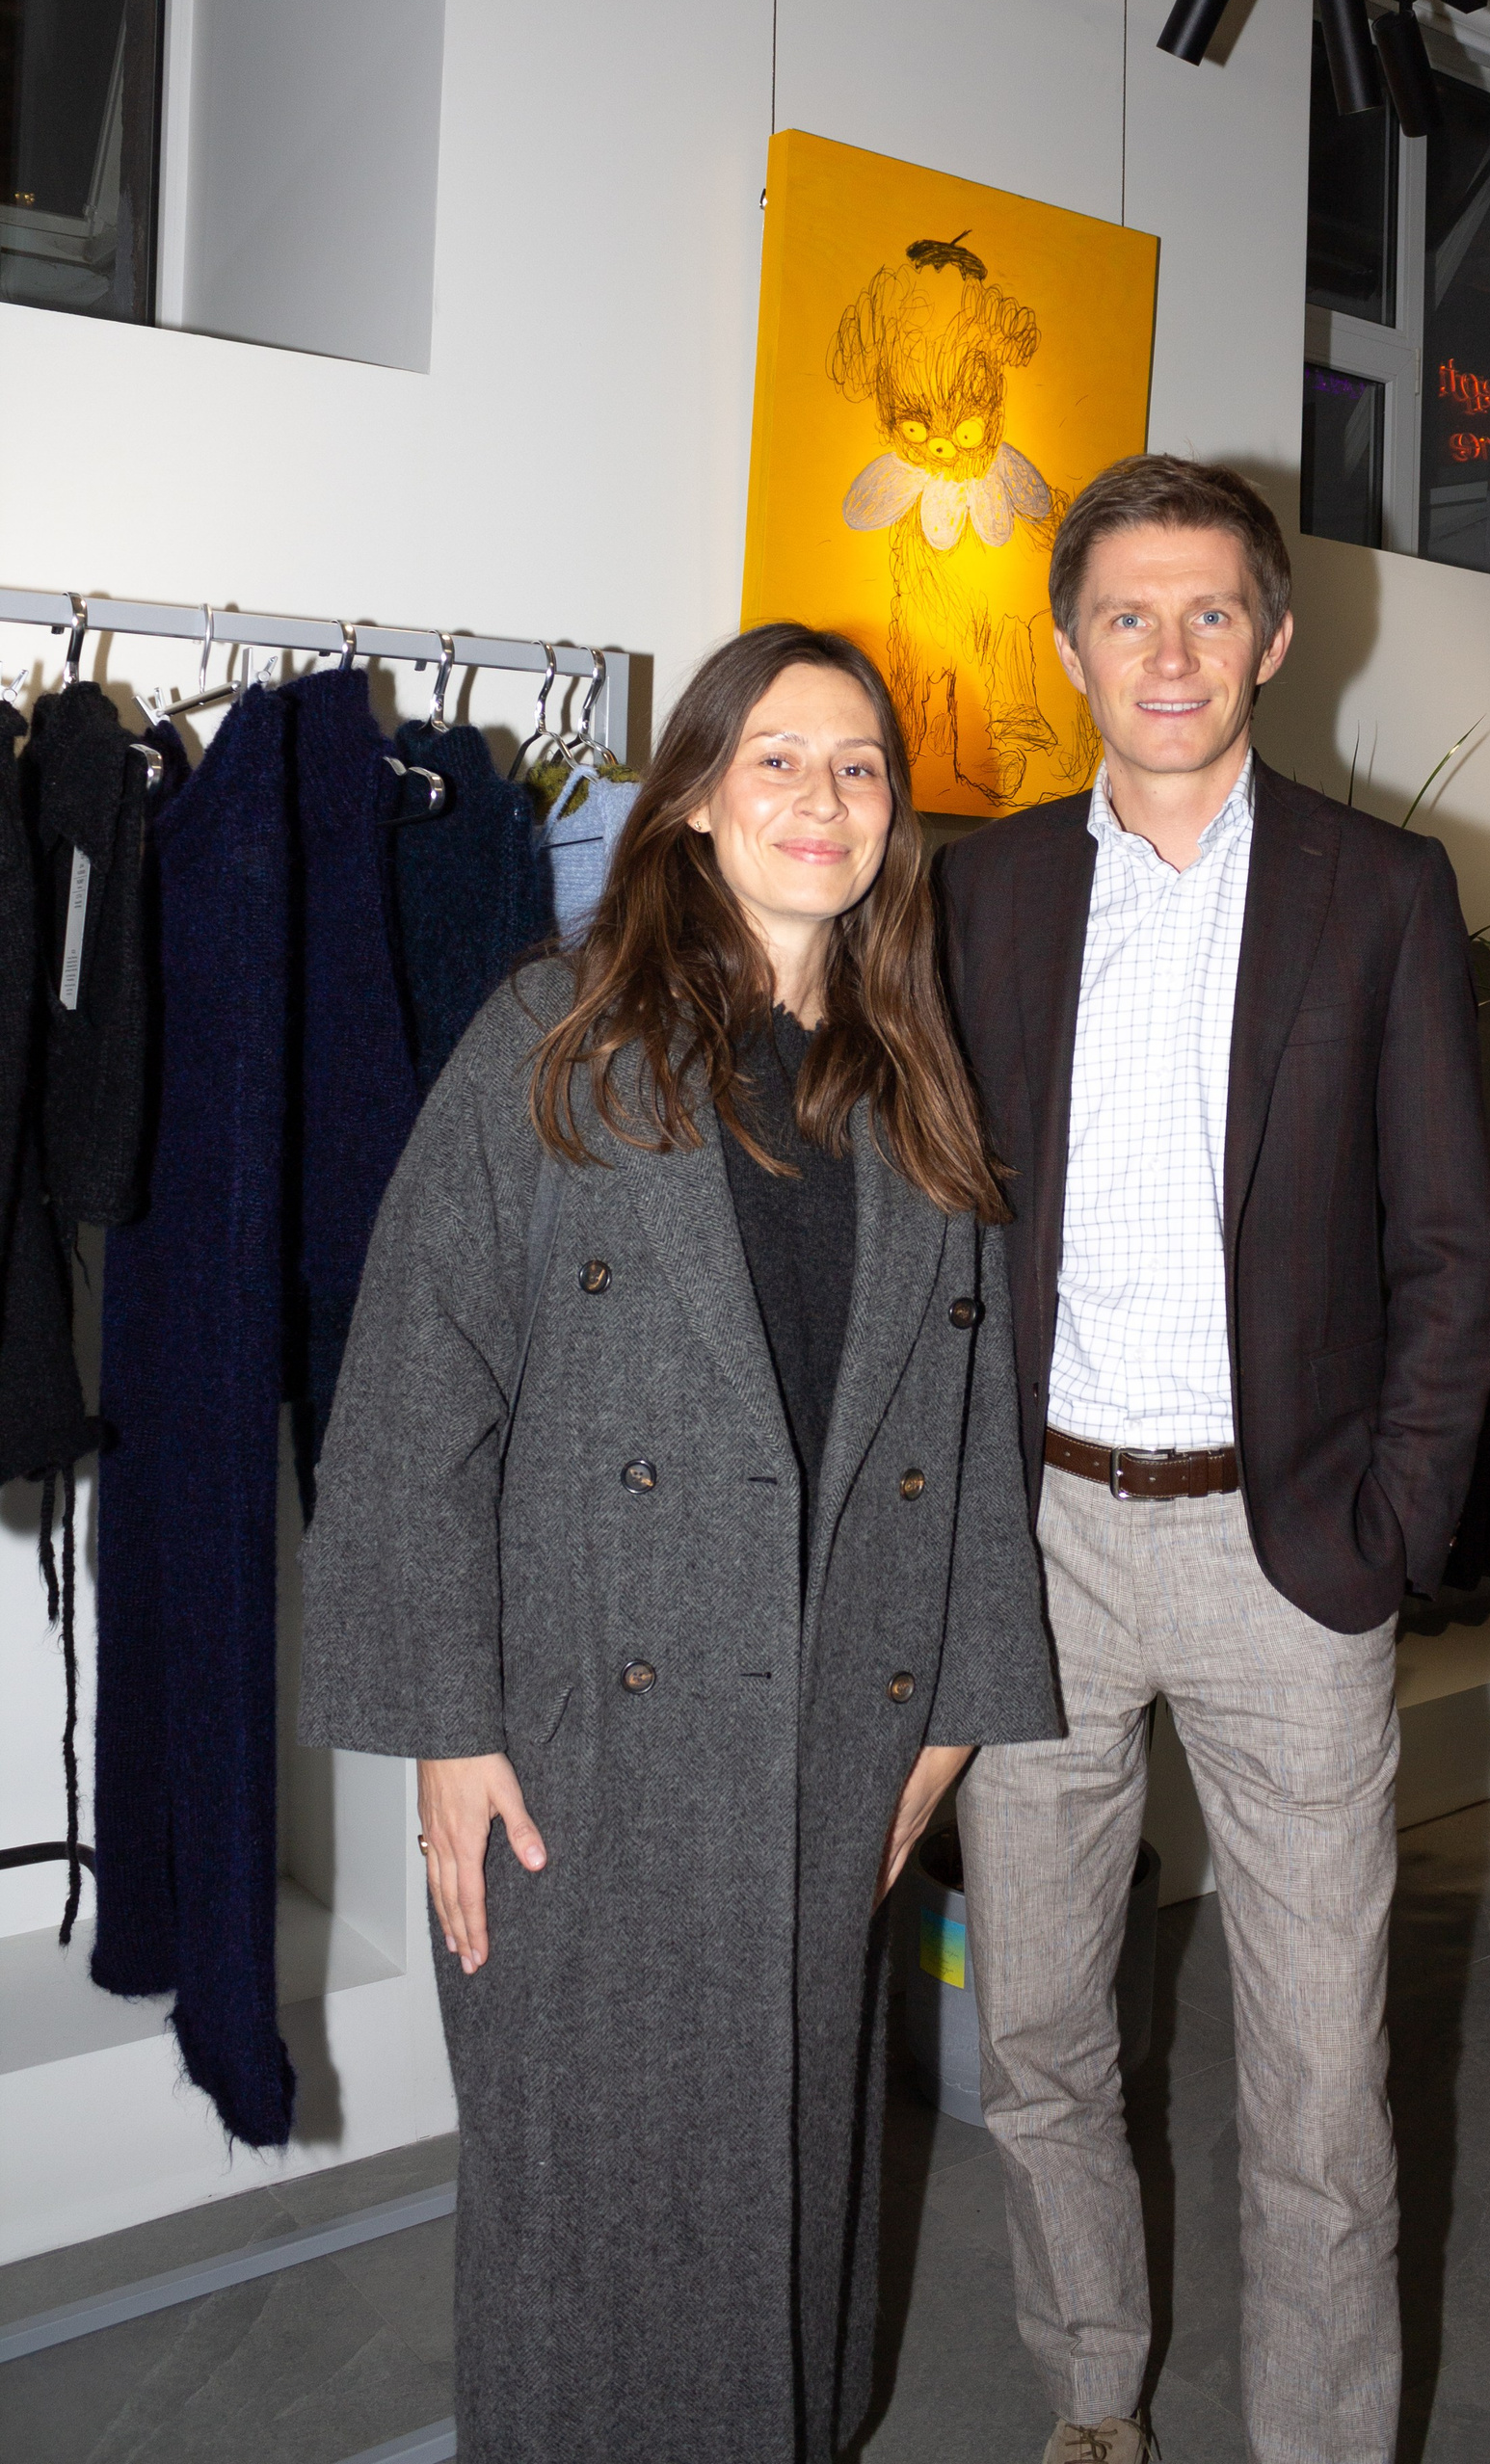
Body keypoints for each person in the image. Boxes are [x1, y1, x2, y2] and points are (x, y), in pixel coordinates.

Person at [298, 624, 1057, 2464]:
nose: (822, 798)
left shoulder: (914, 1082)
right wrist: (447, 1732)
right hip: (583, 1750)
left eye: (859, 766)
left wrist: (949, 1719)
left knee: (790, 2179)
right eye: (776, 758)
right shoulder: (553, 1040)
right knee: (587, 2202)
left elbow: (962, 1433)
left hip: (833, 1738)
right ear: (699, 797)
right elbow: (414, 1394)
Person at [937, 455, 1490, 2464]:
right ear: (1069, 645)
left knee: (1322, 2089)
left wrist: (1388, 1531)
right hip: (1044, 1547)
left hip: (1293, 1553)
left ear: (1272, 639)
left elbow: (1451, 1249)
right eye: (1127, 614)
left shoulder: (1383, 891)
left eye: (1206, 613)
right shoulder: (983, 890)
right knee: (1036, 2038)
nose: (1166, 652)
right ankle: (1094, 2401)